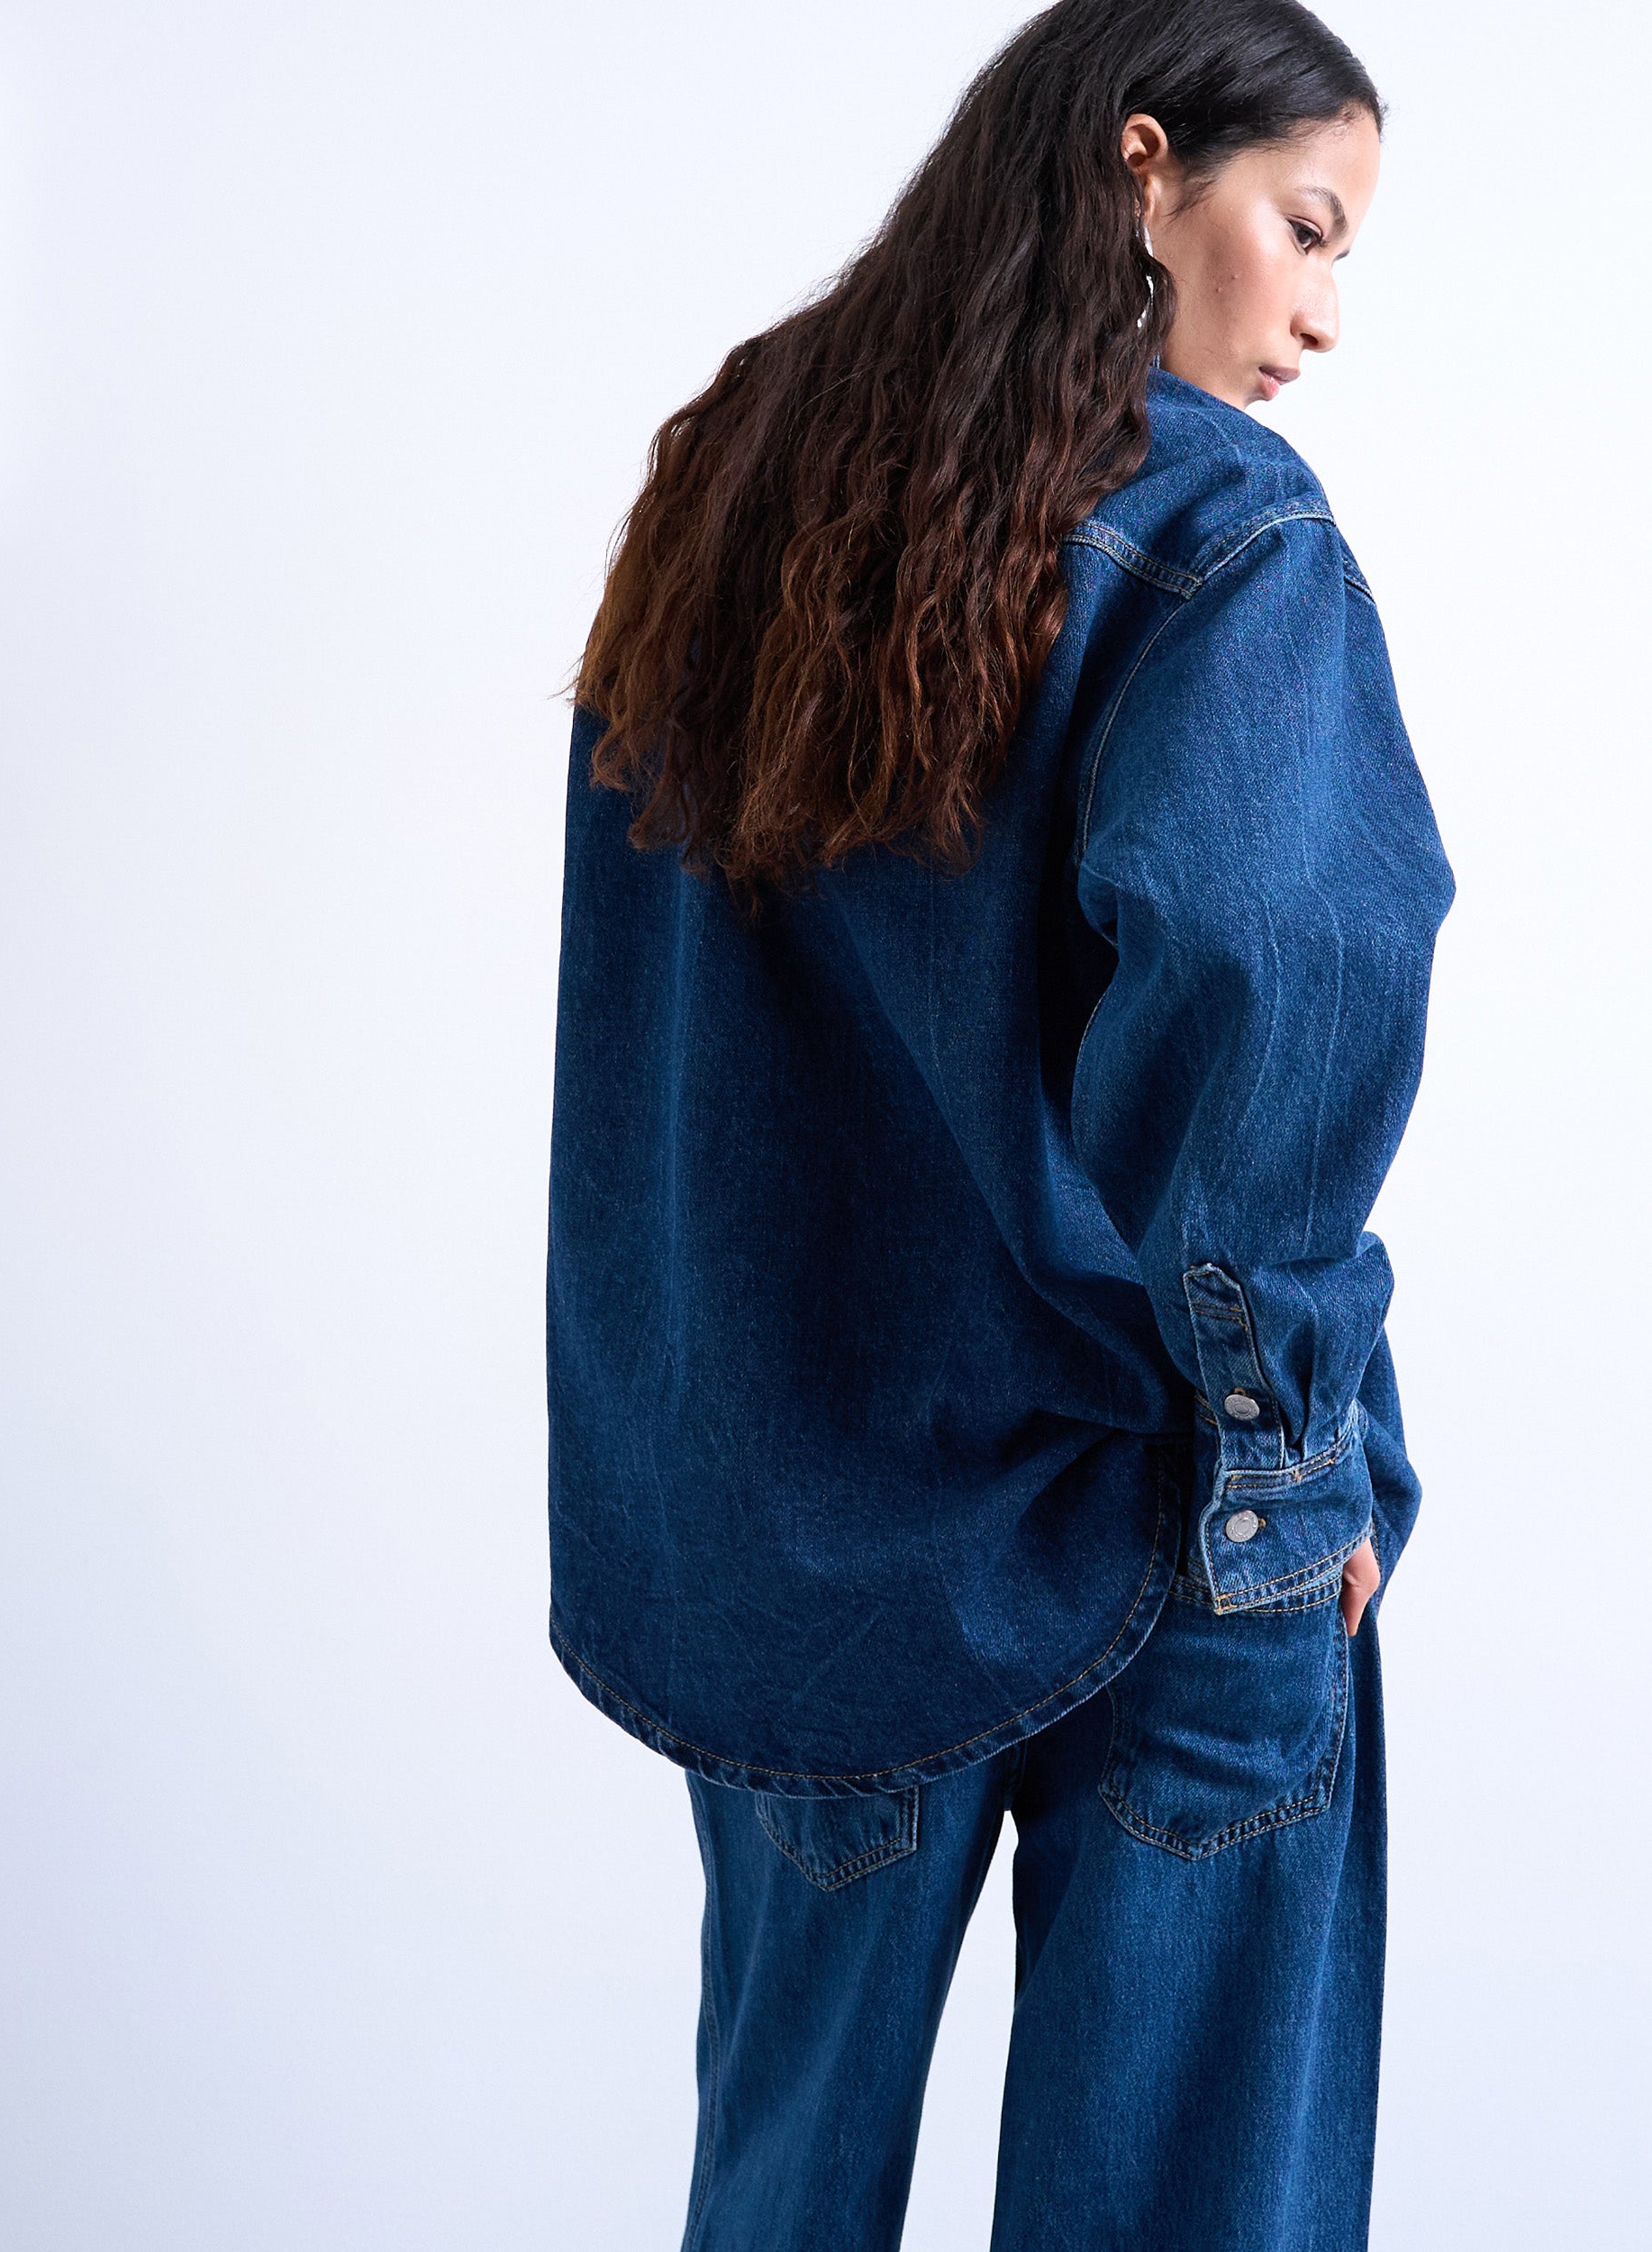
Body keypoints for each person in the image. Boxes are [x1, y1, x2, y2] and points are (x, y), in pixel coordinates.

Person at [546, 3, 1453, 2245]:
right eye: (1305, 226)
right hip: (1155, 1492)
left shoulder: (740, 476)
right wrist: (1288, 1440)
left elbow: (659, 1002)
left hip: (789, 1513)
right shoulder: (1221, 532)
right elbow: (1270, 964)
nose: (1323, 316)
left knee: (775, 2188)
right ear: (1142, 168)